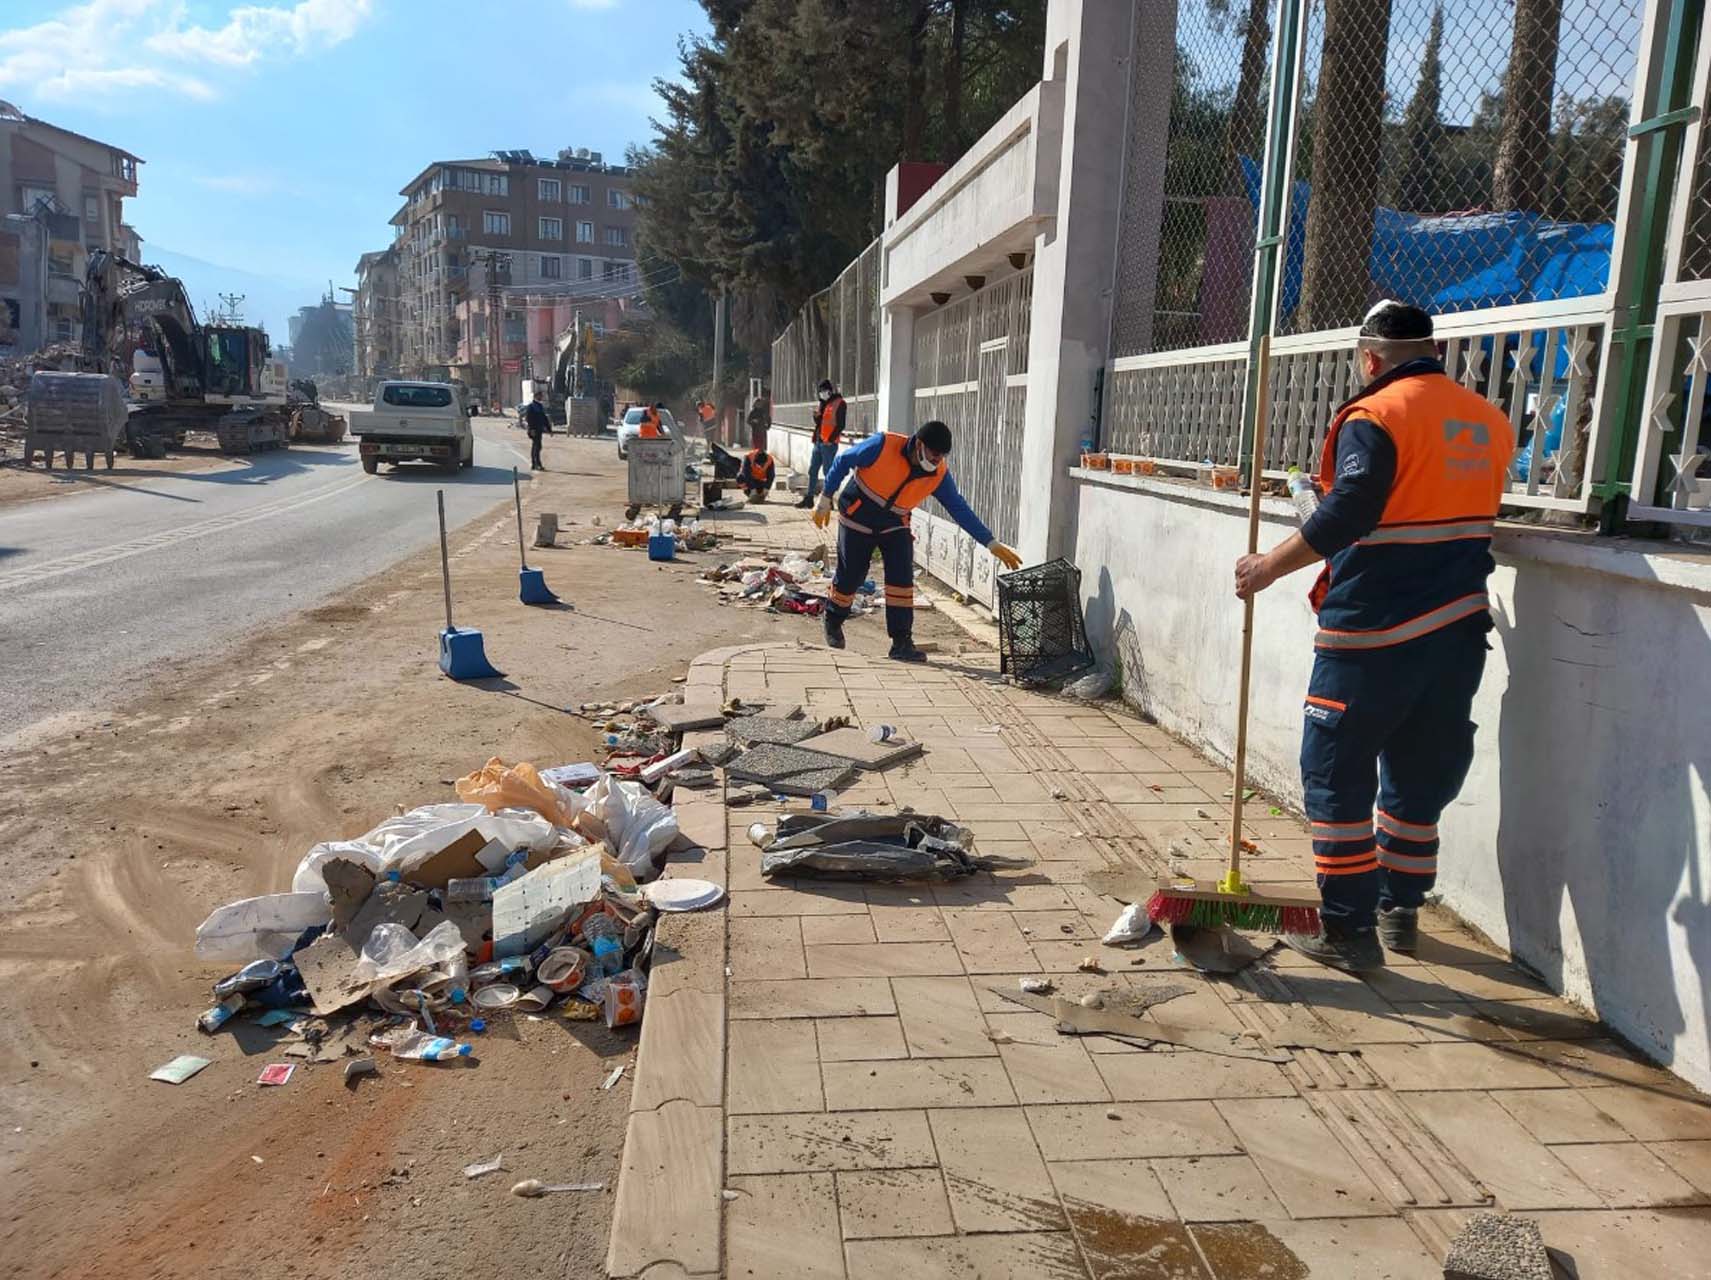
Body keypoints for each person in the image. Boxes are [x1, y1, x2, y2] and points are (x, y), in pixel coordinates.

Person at [1233, 301, 1514, 971]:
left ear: (1368, 356)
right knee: (1418, 773)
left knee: (1335, 774)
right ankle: (1399, 910)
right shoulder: (1488, 419)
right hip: (1455, 631)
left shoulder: (1375, 415)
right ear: (1433, 352)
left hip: (1374, 629)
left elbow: (1354, 510)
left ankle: (1346, 929)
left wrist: (1267, 566)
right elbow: (1429, 504)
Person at [814, 420, 1022, 662]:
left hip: (894, 523)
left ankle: (902, 642)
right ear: (920, 445)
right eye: (934, 454)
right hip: (857, 514)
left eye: (942, 456)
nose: (937, 461)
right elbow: (843, 461)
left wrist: (990, 542)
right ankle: (833, 618)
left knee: (902, 578)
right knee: (852, 575)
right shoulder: (882, 444)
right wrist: (826, 496)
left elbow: (959, 508)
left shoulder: (939, 475)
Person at [798, 379, 845, 508]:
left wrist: (830, 440)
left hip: (829, 445)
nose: (821, 394)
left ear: (829, 391)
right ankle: (809, 498)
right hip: (818, 442)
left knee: (827, 472)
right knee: (812, 470)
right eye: (820, 392)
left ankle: (828, 500)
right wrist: (816, 416)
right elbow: (820, 423)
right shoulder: (822, 403)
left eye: (823, 391)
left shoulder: (840, 403)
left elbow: (841, 425)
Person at [522, 390, 551, 471]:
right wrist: (531, 429)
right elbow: (529, 419)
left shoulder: (540, 406)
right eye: (540, 396)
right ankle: (536, 464)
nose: (541, 397)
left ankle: (536, 464)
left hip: (539, 430)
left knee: (537, 446)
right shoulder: (531, 407)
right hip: (534, 430)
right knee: (536, 446)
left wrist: (549, 429)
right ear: (536, 397)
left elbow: (544, 418)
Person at [746, 386, 772, 451]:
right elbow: (748, 421)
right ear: (755, 404)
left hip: (762, 431)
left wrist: (768, 426)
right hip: (755, 431)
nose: (759, 404)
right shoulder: (753, 412)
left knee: (761, 446)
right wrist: (753, 421)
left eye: (760, 403)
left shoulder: (763, 412)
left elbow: (768, 419)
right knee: (756, 445)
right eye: (758, 403)